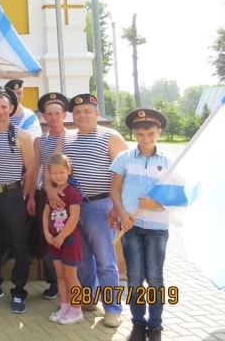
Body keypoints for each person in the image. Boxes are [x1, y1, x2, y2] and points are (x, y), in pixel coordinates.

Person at [45, 93, 129, 327]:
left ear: (97, 112)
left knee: (104, 259)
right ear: (73, 115)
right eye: (78, 111)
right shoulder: (67, 137)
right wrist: (49, 189)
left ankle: (112, 308)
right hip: (71, 209)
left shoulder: (111, 136)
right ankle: (87, 299)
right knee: (80, 260)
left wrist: (117, 207)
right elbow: (52, 165)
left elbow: (125, 174)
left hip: (101, 206)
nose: (82, 115)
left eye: (87, 111)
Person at [110, 108, 171, 341]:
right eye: (140, 133)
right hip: (130, 227)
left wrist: (157, 204)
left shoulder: (168, 162)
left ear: (159, 132)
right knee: (134, 278)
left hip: (157, 229)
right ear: (133, 133)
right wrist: (123, 214)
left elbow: (176, 197)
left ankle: (155, 325)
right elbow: (115, 191)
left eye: (151, 133)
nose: (146, 138)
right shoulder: (124, 158)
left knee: (155, 278)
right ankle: (138, 323)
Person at [0, 86, 36, 314]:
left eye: (4, 107)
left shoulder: (22, 136)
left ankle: (19, 291)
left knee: (18, 244)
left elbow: (30, 171)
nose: (0, 111)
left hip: (13, 194)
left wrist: (23, 196)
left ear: (11, 108)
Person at [33, 92, 70, 300]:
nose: (53, 117)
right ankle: (54, 282)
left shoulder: (71, 137)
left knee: (66, 237)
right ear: (44, 116)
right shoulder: (40, 140)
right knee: (47, 236)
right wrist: (30, 196)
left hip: (65, 197)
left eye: (57, 113)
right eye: (49, 114)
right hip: (44, 196)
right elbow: (36, 169)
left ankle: (70, 280)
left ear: (64, 115)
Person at [43, 153, 84, 325]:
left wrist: (61, 236)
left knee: (71, 276)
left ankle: (76, 310)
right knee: (59, 276)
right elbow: (46, 213)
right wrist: (46, 232)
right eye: (54, 173)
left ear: (69, 171)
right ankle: (64, 306)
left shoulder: (73, 192)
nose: (58, 176)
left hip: (68, 241)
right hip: (54, 241)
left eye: (61, 172)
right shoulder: (52, 193)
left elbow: (74, 218)